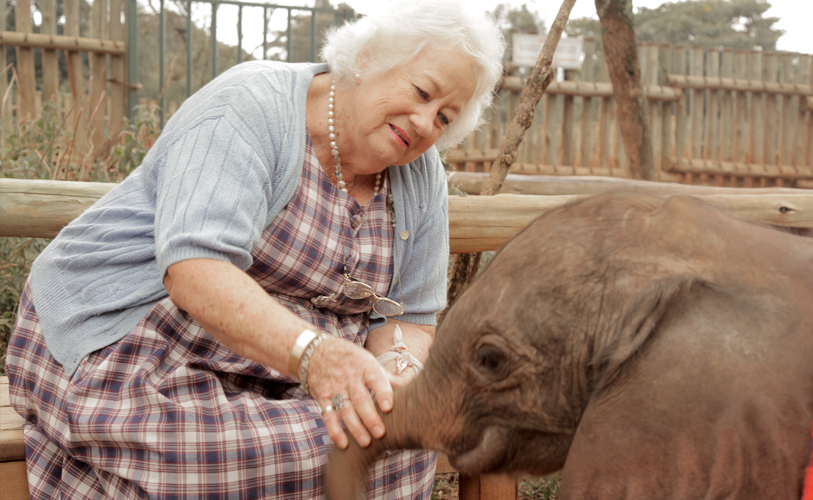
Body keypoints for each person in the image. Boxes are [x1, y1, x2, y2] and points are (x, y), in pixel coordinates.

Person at [6, 0, 504, 498]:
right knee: (216, 462)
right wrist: (317, 355)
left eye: (444, 117)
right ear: (370, 56)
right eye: (421, 92)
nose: (423, 123)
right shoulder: (251, 105)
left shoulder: (421, 176)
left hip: (278, 367)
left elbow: (410, 317)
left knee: (394, 439)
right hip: (132, 338)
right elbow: (194, 271)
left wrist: (399, 379)